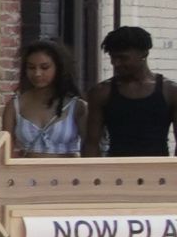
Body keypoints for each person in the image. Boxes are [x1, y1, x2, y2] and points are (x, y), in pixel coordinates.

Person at [94, 26, 172, 157]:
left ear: (144, 54)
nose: (115, 63)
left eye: (122, 58)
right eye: (112, 58)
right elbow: (91, 142)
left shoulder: (170, 91)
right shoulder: (101, 92)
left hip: (158, 172)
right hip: (116, 172)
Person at [10, 39, 86, 157]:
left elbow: (90, 147)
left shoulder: (77, 106)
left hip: (67, 173)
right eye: (31, 67)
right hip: (27, 173)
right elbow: (5, 151)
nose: (37, 73)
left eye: (45, 67)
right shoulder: (15, 105)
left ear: (59, 68)